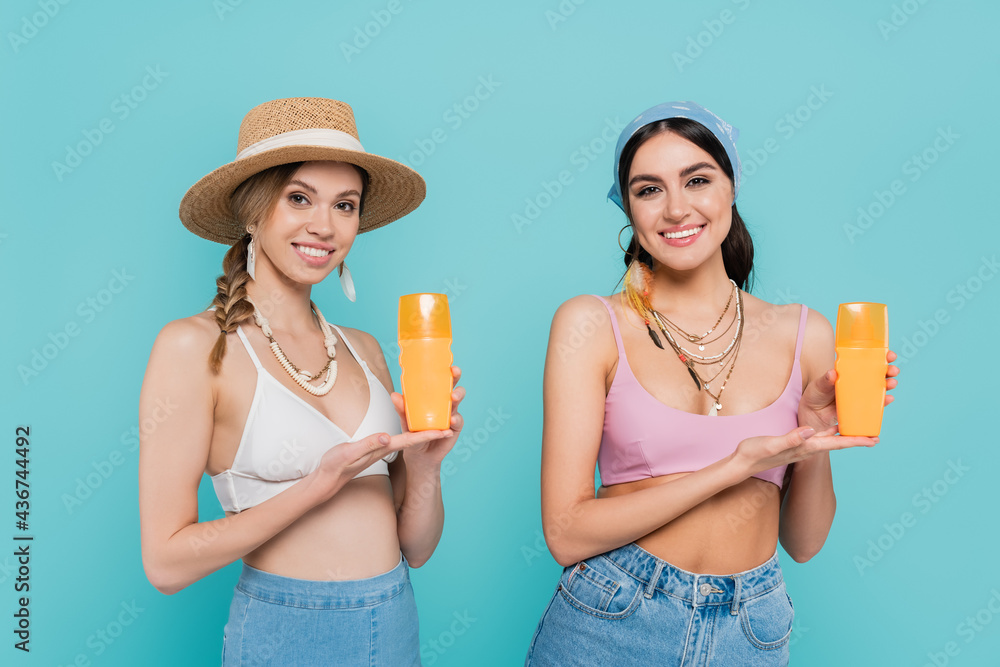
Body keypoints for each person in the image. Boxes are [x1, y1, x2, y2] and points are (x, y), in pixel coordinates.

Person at [524, 101, 899, 665]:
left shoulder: (806, 332)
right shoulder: (591, 323)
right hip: (612, 616)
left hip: (752, 625)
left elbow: (804, 543)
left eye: (697, 180)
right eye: (649, 189)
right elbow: (566, 534)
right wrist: (733, 466)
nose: (677, 208)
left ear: (731, 188)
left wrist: (814, 437)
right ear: (628, 206)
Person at [138, 97, 464, 665]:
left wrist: (426, 467)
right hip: (287, 631)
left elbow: (416, 548)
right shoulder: (194, 346)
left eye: (345, 204)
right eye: (298, 198)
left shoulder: (363, 349)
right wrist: (316, 485)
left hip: (393, 620)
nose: (324, 225)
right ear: (251, 211)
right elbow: (165, 564)